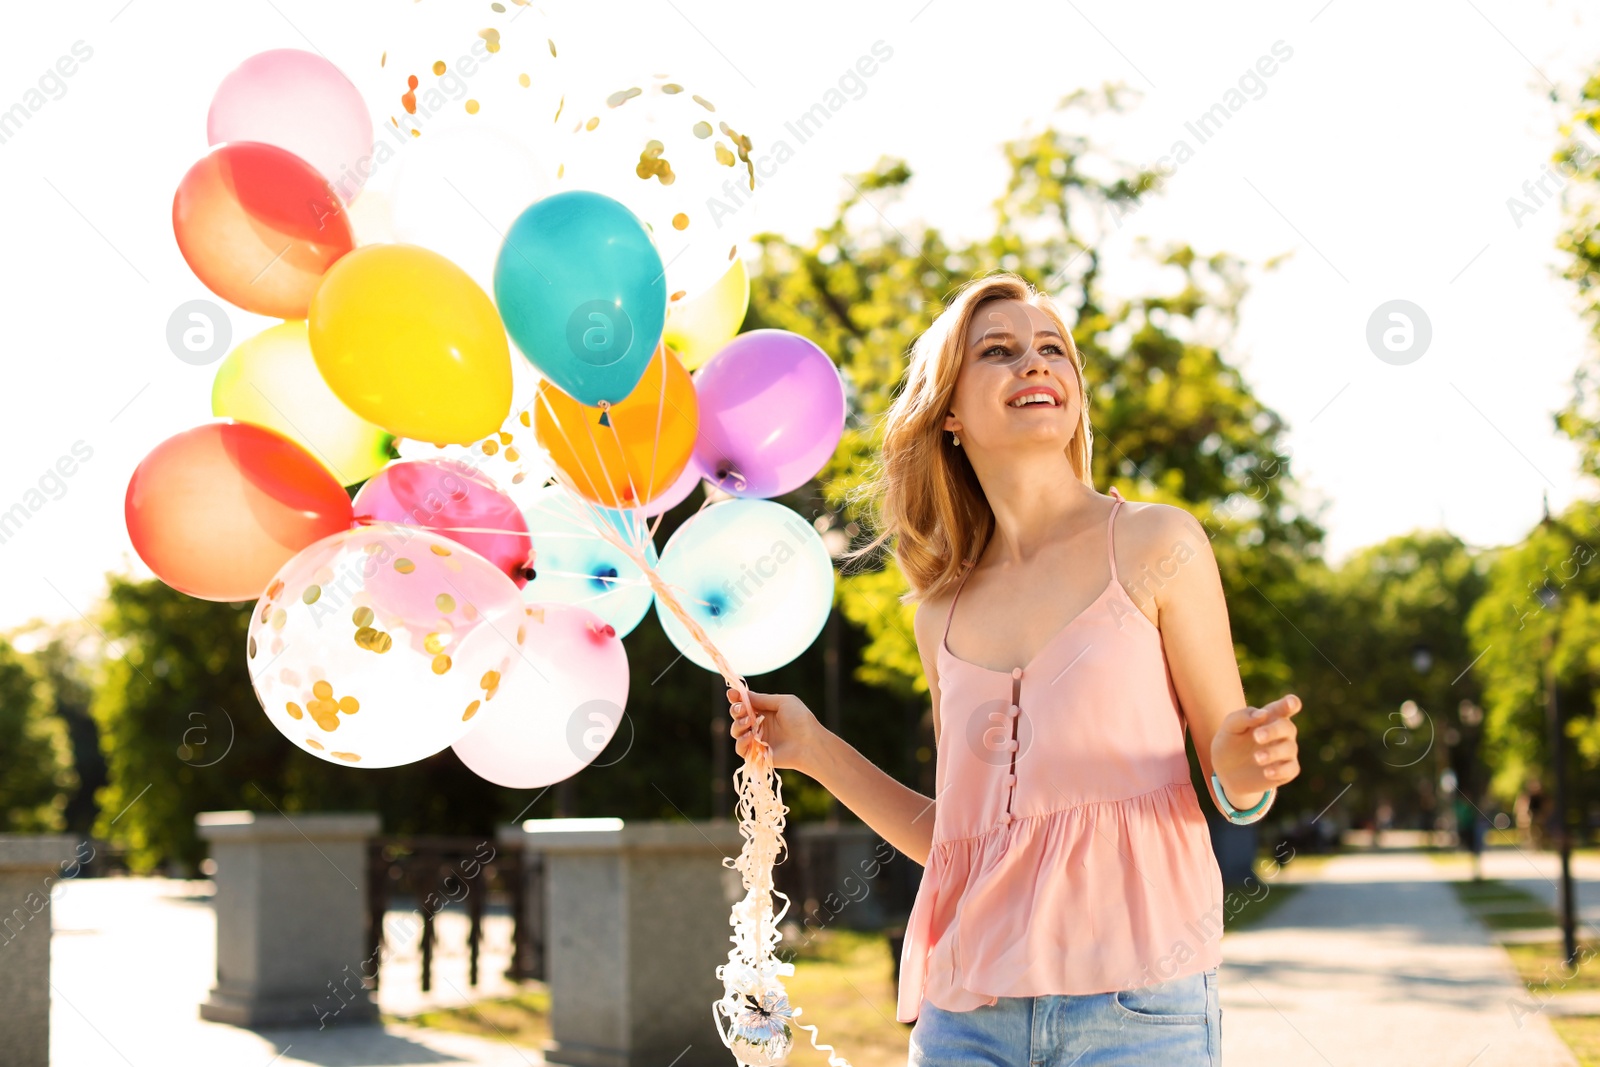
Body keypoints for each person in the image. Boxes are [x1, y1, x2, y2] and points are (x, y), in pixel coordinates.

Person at [727, 272, 1302, 1066]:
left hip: (1139, 1013)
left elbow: (1235, 776)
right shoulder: (941, 612)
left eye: (1052, 349)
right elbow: (961, 842)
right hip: (966, 1020)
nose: (1035, 364)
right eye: (998, 351)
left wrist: (1247, 763)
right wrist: (818, 749)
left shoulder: (1159, 544)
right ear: (951, 413)